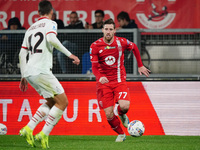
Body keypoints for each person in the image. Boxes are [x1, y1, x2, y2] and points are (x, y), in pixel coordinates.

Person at [18, 1, 80, 149]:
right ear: (51, 12)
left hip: (31, 72)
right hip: (42, 70)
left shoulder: (30, 29)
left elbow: (22, 53)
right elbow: (52, 39)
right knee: (63, 102)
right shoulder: (50, 24)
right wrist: (70, 54)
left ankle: (28, 128)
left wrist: (23, 75)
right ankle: (44, 134)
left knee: (52, 102)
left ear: (38, 12)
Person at [89, 18, 150, 142]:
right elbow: (94, 67)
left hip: (119, 80)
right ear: (102, 30)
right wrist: (100, 77)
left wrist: (140, 65)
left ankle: (121, 114)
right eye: (106, 29)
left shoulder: (121, 42)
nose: (108, 32)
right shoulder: (95, 46)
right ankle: (121, 134)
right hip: (103, 83)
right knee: (109, 114)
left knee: (125, 106)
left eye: (111, 29)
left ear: (114, 30)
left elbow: (134, 47)